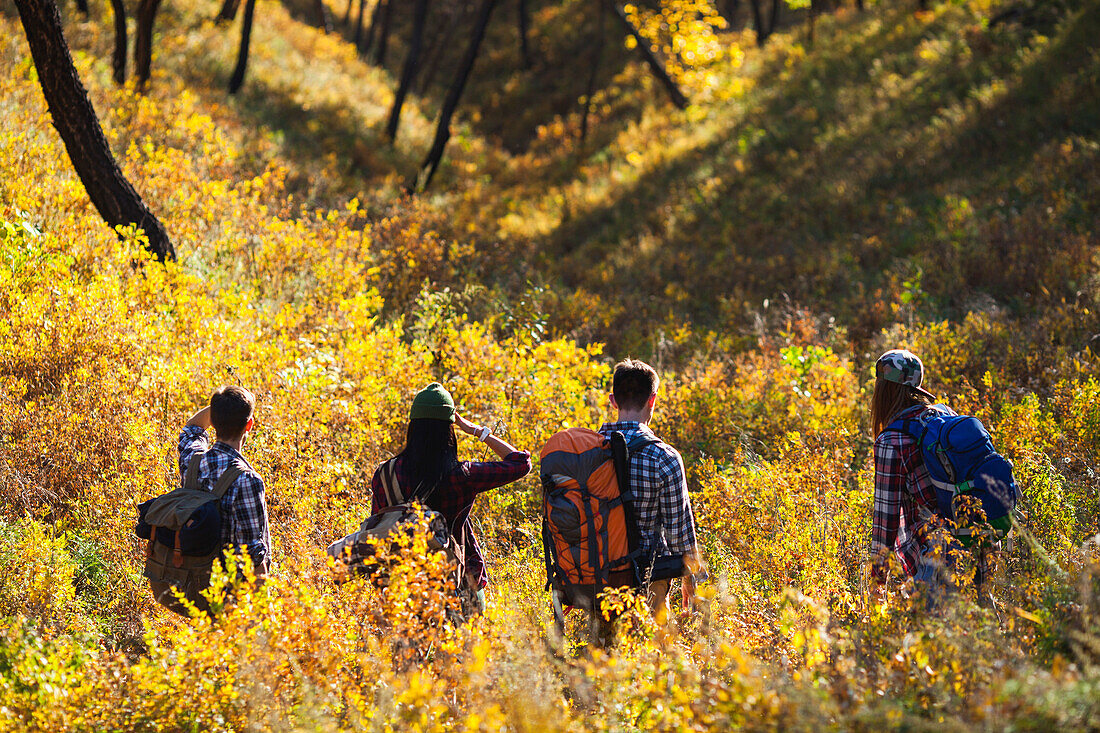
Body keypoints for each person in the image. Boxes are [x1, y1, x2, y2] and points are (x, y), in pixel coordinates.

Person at [370, 383, 531, 614]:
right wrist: (477, 430)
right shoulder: (462, 475)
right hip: (457, 583)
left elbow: (377, 523)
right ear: (450, 429)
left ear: (412, 427)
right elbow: (521, 463)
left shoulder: (384, 473)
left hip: (401, 587)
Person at [598, 358, 702, 621]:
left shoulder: (586, 450)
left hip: (591, 570)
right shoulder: (663, 457)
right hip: (644, 575)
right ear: (652, 400)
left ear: (613, 400)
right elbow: (679, 530)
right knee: (654, 652)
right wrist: (694, 577)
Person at [869, 349, 955, 599]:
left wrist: (878, 580)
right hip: (979, 540)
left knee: (925, 636)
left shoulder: (891, 440)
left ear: (883, 390)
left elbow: (885, 521)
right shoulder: (944, 415)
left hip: (937, 555)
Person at [178, 385, 271, 578]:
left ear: (213, 420)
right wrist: (264, 605)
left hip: (190, 582)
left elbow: (191, 429)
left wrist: (220, 408)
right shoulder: (248, 479)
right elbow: (253, 556)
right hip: (229, 592)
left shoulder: (192, 460)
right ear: (249, 425)